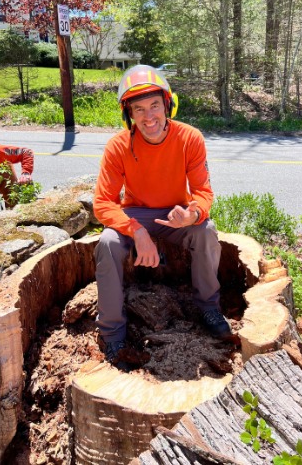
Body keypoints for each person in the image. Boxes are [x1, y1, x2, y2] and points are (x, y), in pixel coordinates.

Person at [93, 64, 230, 369]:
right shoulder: (118, 146)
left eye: (154, 105)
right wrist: (137, 232)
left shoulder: (189, 138)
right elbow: (103, 203)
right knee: (107, 243)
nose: (148, 116)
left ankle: (209, 307)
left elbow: (204, 194)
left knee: (206, 231)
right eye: (138, 109)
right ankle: (113, 334)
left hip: (175, 214)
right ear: (128, 113)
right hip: (135, 214)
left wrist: (192, 213)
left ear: (168, 104)